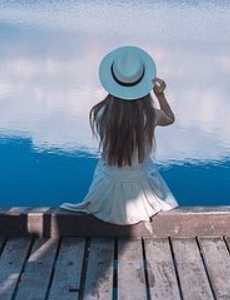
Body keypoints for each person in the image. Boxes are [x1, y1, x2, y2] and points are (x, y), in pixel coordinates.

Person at [60, 45, 178, 225]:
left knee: (103, 164)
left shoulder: (100, 113)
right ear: (142, 83)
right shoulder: (150, 115)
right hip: (142, 192)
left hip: (106, 193)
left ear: (113, 83)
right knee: (147, 166)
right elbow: (170, 118)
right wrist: (160, 95)